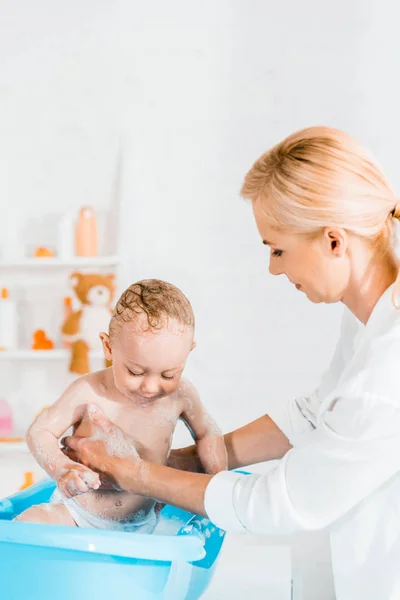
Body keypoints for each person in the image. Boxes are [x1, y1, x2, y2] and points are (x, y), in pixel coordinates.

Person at [64, 127, 400, 599]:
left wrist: (137, 474)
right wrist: (173, 458)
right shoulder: (372, 318)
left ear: (334, 241)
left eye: (277, 249)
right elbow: (313, 417)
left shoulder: (388, 371)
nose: (274, 269)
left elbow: (276, 502)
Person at [16, 279, 227, 531]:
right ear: (108, 347)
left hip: (144, 522)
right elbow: (40, 431)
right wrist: (62, 468)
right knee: (29, 524)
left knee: (186, 539)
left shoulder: (182, 395)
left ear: (188, 353)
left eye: (168, 375)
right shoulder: (89, 391)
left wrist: (217, 483)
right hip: (78, 515)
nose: (150, 387)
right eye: (135, 372)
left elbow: (208, 433)